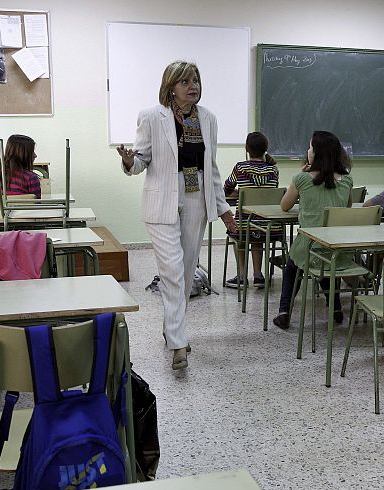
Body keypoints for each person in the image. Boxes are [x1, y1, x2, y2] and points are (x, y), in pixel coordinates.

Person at [116, 60, 236, 370]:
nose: (192, 85)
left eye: (195, 79)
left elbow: (211, 169)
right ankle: (178, 343)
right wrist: (130, 162)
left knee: (184, 272)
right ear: (171, 86)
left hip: (196, 198)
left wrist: (224, 211)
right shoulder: (151, 117)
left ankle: (173, 329)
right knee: (171, 271)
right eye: (184, 81)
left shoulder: (208, 119)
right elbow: (142, 160)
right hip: (161, 203)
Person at [273, 130, 353, 330]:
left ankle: (284, 311)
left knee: (292, 266)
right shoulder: (347, 180)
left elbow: (284, 206)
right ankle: (335, 307)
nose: (307, 150)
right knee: (326, 265)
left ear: (316, 153)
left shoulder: (302, 179)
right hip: (337, 248)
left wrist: (301, 176)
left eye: (310, 147)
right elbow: (347, 207)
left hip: (309, 247)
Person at [223, 132, 280, 289]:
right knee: (257, 234)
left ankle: (242, 275)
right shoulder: (273, 170)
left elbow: (226, 189)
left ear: (247, 149)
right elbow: (268, 193)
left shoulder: (240, 167)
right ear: (265, 149)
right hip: (269, 226)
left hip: (244, 223)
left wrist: (241, 193)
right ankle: (258, 275)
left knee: (239, 231)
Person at [0, 134, 41, 198]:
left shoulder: (0, 175)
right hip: (24, 208)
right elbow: (37, 204)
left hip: (1, 208)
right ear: (23, 154)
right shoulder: (31, 178)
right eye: (32, 152)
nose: (35, 155)